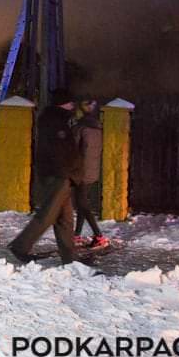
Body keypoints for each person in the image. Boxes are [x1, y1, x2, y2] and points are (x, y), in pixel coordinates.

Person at [7, 88, 82, 265]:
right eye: (70, 102)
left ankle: (70, 259)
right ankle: (20, 246)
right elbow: (61, 151)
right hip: (59, 175)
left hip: (62, 175)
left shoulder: (56, 119)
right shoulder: (56, 121)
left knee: (65, 219)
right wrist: (68, 172)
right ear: (63, 103)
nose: (73, 105)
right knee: (48, 215)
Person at [72, 98, 108, 248]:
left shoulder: (81, 128)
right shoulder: (97, 128)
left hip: (81, 171)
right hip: (92, 170)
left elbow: (72, 148)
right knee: (82, 202)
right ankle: (77, 235)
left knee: (82, 203)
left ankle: (99, 236)